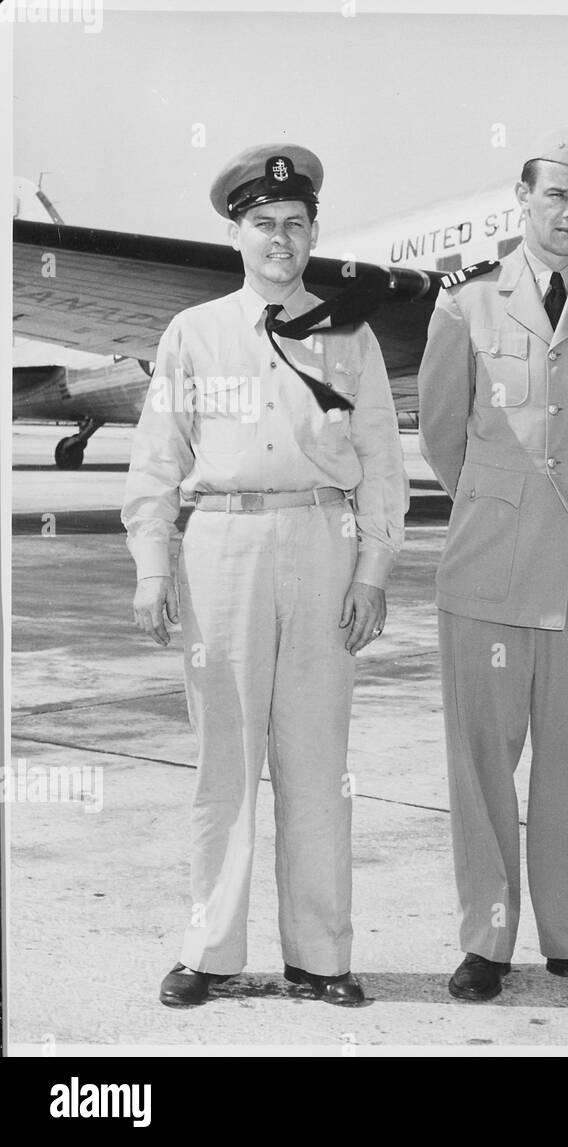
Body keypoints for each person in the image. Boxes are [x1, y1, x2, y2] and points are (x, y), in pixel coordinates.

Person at [124, 144, 408, 1007]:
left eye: (296, 224)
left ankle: (321, 956)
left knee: (318, 762)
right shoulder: (195, 332)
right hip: (223, 548)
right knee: (226, 762)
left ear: (314, 231)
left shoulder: (349, 334)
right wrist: (151, 566)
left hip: (322, 541)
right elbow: (156, 460)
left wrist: (373, 570)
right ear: (236, 233)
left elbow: (382, 462)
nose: (281, 238)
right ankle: (210, 951)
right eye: (263, 224)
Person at [417, 130, 568, 1003]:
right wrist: (505, 497)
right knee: (482, 759)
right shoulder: (468, 304)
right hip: (489, 560)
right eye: (554, 195)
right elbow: (443, 434)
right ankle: (486, 940)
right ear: (521, 199)